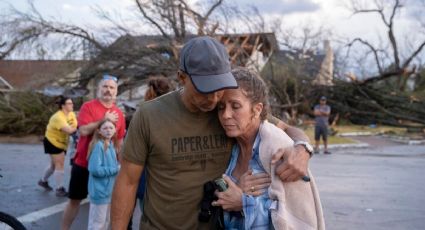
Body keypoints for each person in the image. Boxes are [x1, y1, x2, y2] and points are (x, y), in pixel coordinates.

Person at [111, 36, 313, 229]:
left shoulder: (228, 114)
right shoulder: (149, 115)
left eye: (219, 86)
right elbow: (127, 182)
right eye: (205, 89)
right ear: (182, 77)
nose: (215, 98)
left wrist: (302, 149)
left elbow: (287, 129)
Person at [213, 67, 325, 229]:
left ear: (257, 109)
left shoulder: (279, 150)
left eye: (235, 106)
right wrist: (235, 192)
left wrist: (244, 203)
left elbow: (297, 218)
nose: (225, 115)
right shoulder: (233, 146)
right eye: (221, 107)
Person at [61, 74, 126, 230]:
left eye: (112, 88)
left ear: (116, 92)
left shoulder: (119, 114)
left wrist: (121, 164)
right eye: (105, 86)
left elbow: (120, 141)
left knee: (104, 205)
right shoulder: (88, 107)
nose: (108, 90)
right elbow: (83, 131)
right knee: (74, 200)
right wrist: (104, 119)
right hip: (83, 163)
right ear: (99, 89)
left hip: (106, 170)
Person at [38, 96, 77, 197]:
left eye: (72, 103)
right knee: (59, 164)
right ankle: (59, 189)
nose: (72, 105)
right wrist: (73, 128)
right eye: (69, 103)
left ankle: (43, 181)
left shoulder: (71, 114)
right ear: (63, 106)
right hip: (52, 142)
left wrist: (73, 127)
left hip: (62, 142)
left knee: (53, 165)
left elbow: (75, 125)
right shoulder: (57, 117)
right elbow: (69, 130)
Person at [87, 119, 119, 230]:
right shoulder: (98, 146)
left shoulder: (111, 145)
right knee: (97, 225)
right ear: (99, 131)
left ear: (115, 130)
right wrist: (115, 169)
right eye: (105, 128)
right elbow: (95, 169)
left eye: (111, 128)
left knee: (105, 223)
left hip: (108, 193)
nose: (108, 130)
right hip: (100, 192)